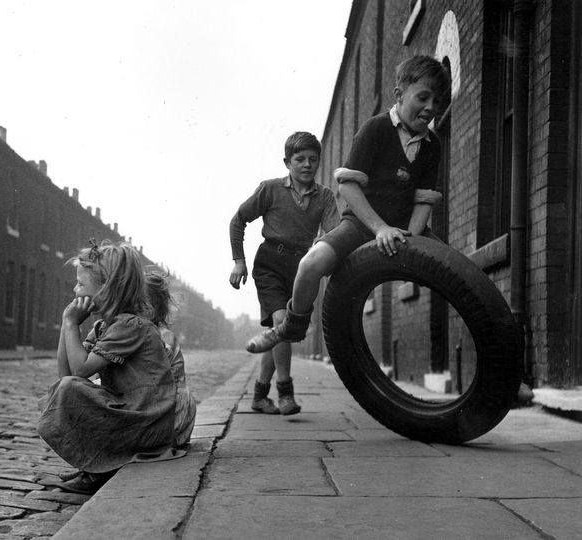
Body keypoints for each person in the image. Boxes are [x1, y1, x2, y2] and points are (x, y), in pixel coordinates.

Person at [246, 55, 450, 354]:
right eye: (423, 97)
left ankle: (503, 368)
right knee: (310, 264)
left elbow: (423, 199)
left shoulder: (433, 145)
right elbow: (348, 186)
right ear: (399, 94)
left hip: (405, 229)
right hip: (361, 225)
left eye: (437, 100)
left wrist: (411, 238)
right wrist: (379, 228)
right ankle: (292, 323)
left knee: (460, 276)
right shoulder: (376, 129)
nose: (431, 107)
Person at [37, 240, 181, 494]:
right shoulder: (107, 326)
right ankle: (95, 467)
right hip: (136, 419)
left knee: (71, 390)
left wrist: (72, 324)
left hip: (147, 425)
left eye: (81, 284)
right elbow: (66, 375)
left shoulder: (131, 326)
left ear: (107, 289)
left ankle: (96, 472)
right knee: (67, 389)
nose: (75, 289)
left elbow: (79, 373)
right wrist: (66, 324)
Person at [229, 132, 338, 415]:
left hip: (302, 269)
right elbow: (238, 220)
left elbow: (336, 232)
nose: (307, 165)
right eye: (299, 159)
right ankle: (285, 392)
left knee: (276, 332)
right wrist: (238, 261)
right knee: (282, 323)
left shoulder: (325, 196)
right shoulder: (270, 189)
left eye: (313, 159)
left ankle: (259, 396)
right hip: (269, 264)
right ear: (287, 162)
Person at [145, 270, 196, 446]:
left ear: (152, 309)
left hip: (170, 421)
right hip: (176, 419)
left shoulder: (159, 336)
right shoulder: (162, 334)